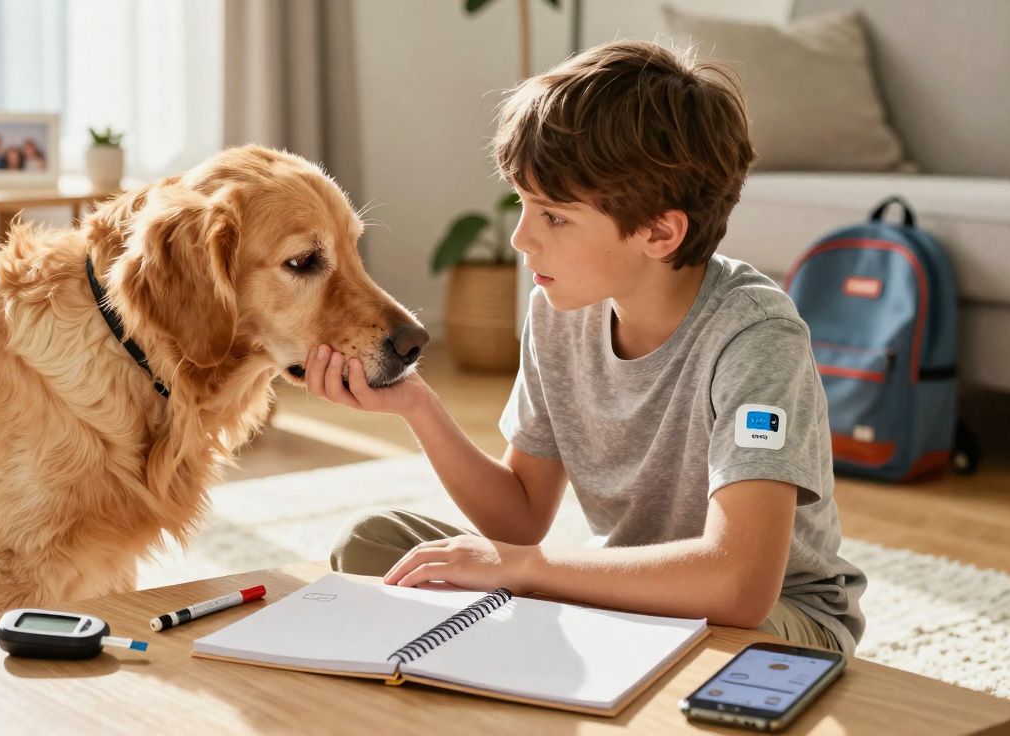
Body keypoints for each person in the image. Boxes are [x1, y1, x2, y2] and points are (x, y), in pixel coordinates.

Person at [316, 40, 866, 655]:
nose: (523, 238)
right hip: (627, 596)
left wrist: (529, 571)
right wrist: (416, 407)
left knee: (714, 634)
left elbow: (740, 585)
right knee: (374, 542)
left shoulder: (756, 339)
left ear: (659, 230)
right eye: (522, 205)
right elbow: (520, 520)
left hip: (775, 619)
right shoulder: (559, 311)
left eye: (553, 217)